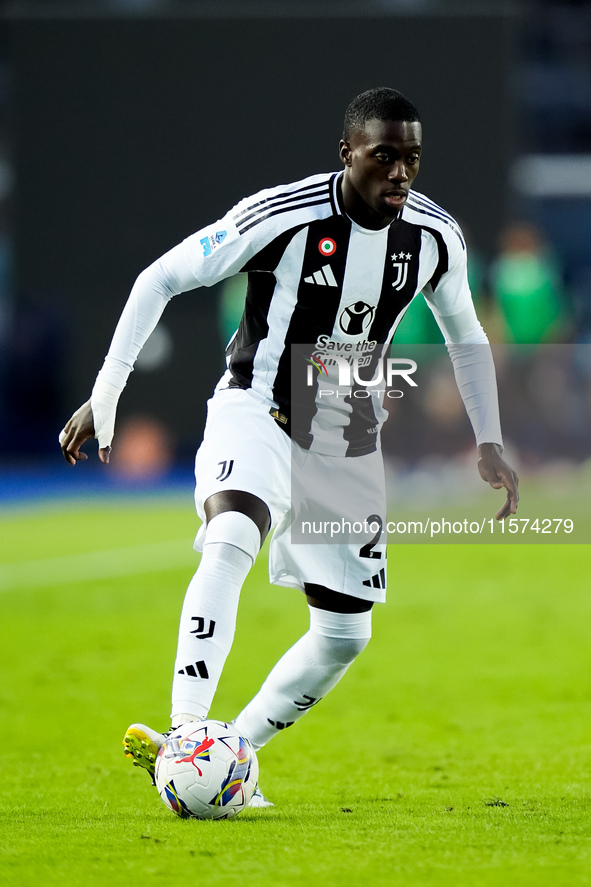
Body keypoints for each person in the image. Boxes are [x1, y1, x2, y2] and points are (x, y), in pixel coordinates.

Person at [60, 87, 519, 806]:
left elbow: (465, 334)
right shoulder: (282, 216)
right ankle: (185, 731)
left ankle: (231, 749)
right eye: (384, 156)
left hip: (343, 438)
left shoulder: (433, 238)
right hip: (257, 409)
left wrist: (487, 437)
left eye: (412, 159)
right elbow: (161, 278)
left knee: (343, 636)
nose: (401, 173)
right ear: (348, 153)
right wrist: (108, 390)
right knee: (231, 533)